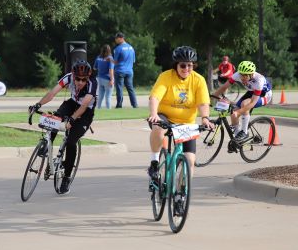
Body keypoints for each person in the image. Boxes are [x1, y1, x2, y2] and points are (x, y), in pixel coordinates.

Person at [28, 60, 97, 194]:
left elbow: (83, 106)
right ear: (73, 75)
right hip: (71, 103)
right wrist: (38, 104)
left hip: (86, 112)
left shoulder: (93, 83)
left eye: (84, 80)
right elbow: (52, 93)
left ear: (88, 78)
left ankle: (66, 177)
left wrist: (72, 119)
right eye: (78, 79)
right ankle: (47, 145)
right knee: (55, 118)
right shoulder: (68, 77)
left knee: (71, 142)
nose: (80, 82)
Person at [147, 46, 214, 178]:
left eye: (190, 65)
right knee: (158, 128)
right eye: (183, 65)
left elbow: (203, 103)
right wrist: (154, 114)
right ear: (176, 65)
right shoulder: (166, 76)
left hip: (186, 123)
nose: (186, 69)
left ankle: (181, 194)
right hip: (164, 117)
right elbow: (155, 97)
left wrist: (205, 118)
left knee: (190, 161)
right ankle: (154, 162)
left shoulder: (198, 80)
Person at [212, 60, 272, 144]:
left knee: (245, 104)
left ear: (251, 74)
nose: (242, 77)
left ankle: (244, 133)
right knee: (233, 112)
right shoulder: (237, 75)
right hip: (251, 92)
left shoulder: (259, 80)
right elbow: (224, 87)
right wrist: (212, 97)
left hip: (264, 95)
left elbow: (252, 103)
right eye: (241, 74)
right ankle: (237, 140)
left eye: (245, 76)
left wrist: (239, 112)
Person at [112, 31, 138, 108]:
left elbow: (115, 62)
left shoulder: (118, 48)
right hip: (129, 71)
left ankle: (119, 105)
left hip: (120, 71)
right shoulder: (131, 48)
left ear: (121, 38)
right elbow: (133, 61)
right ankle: (134, 104)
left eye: (116, 38)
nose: (115, 40)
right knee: (130, 88)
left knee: (119, 88)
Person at [93, 44, 114, 109]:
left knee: (100, 96)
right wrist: (112, 79)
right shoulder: (110, 58)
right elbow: (111, 70)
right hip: (107, 79)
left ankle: (98, 109)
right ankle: (108, 110)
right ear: (109, 50)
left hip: (99, 78)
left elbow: (94, 68)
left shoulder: (98, 57)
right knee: (108, 96)